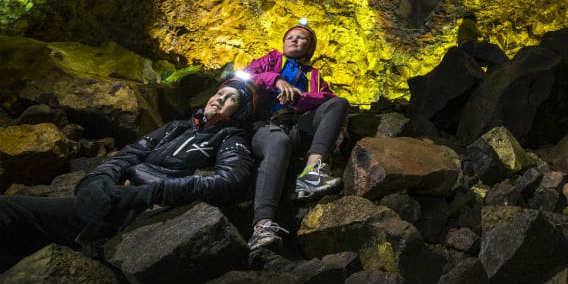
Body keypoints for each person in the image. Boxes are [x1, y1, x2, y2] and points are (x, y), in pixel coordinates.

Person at [0, 78, 258, 271]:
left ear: (240, 111)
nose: (220, 99)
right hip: (112, 198)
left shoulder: (230, 137)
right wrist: (97, 180)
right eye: (220, 92)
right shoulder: (176, 127)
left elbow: (230, 180)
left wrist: (150, 193)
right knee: (9, 213)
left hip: (141, 209)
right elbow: (130, 153)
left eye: (231, 98)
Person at [244, 20, 349, 252]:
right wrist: (277, 81)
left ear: (309, 48)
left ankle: (312, 172)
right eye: (290, 36)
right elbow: (247, 75)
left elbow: (328, 98)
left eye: (301, 38)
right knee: (278, 142)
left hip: (296, 126)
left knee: (339, 103)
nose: (294, 39)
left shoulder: (313, 75)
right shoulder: (272, 60)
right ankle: (262, 227)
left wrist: (300, 97)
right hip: (266, 126)